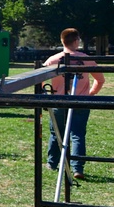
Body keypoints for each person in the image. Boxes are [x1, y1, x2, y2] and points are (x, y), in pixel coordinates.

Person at [43, 28, 105, 180]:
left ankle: (52, 163)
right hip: (80, 101)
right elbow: (100, 79)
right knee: (77, 135)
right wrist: (92, 93)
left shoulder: (53, 60)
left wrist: (47, 94)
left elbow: (41, 81)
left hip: (59, 101)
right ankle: (77, 168)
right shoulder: (86, 59)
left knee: (56, 133)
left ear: (62, 40)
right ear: (76, 40)